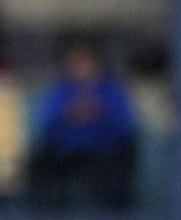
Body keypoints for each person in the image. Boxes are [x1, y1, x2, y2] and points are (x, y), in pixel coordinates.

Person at [26, 39, 139, 210]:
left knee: (118, 166)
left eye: (87, 61)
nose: (82, 67)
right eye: (77, 62)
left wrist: (100, 113)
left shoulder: (111, 89)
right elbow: (46, 125)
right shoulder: (60, 90)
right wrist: (69, 114)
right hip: (66, 152)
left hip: (104, 151)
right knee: (39, 162)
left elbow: (124, 126)